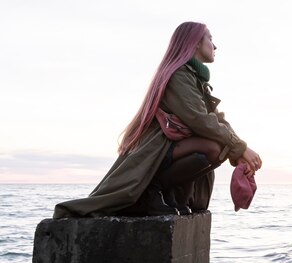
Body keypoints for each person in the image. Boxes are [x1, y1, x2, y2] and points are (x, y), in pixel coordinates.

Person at [53, 22, 262, 218]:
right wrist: (240, 148)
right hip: (157, 146)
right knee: (213, 148)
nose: (215, 45)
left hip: (172, 146)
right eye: (210, 38)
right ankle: (151, 190)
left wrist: (240, 149)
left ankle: (170, 194)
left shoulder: (194, 77)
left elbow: (217, 120)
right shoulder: (179, 74)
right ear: (196, 42)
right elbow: (199, 119)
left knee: (220, 147)